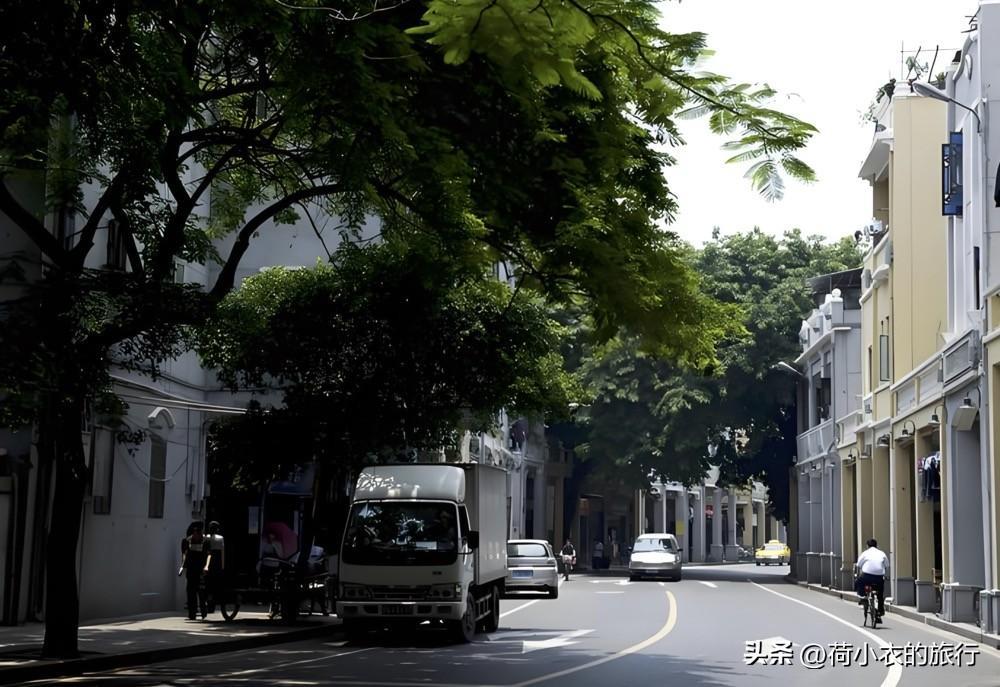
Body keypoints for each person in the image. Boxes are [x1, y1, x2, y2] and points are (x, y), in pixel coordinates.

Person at [180, 523, 211, 620]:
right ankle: (192, 613)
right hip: (191, 569)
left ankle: (203, 610)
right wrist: (183, 564)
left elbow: (209, 555)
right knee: (190, 591)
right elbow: (184, 553)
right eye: (196, 533)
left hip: (201, 569)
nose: (198, 535)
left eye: (199, 532)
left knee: (201, 591)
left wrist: (206, 566)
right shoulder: (187, 541)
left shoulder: (205, 541)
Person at [854, 538, 888, 615]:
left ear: (867, 546)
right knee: (880, 593)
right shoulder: (882, 553)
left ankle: (863, 597)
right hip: (879, 577)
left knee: (858, 582)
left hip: (867, 576)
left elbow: (858, 564)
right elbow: (887, 565)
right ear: (877, 546)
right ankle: (881, 610)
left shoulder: (865, 553)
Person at [205, 521, 225, 614]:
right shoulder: (220, 538)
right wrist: (222, 566)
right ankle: (212, 602)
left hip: (210, 561)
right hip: (215, 562)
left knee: (209, 584)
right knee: (213, 584)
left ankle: (210, 602)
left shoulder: (206, 537)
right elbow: (222, 553)